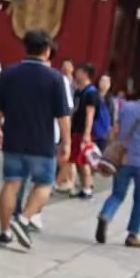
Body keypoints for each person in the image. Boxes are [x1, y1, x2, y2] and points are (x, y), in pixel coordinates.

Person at [0, 29, 72, 249]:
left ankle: (4, 231)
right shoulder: (56, 78)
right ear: (47, 50)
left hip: (13, 137)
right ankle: (24, 219)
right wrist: (66, 142)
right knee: (44, 184)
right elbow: (63, 115)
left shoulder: (10, 73)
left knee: (11, 183)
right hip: (41, 141)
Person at [96, 81, 140, 248]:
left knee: (117, 194)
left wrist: (114, 148)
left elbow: (114, 131)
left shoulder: (126, 107)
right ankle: (132, 235)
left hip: (123, 160)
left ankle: (106, 215)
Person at [70, 63, 100, 198]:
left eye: (79, 71)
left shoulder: (91, 93)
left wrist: (87, 134)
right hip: (75, 129)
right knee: (78, 160)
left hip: (83, 131)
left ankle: (87, 188)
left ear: (85, 74)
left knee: (83, 160)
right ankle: (84, 186)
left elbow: (90, 114)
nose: (76, 73)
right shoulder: (79, 91)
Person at [54, 58, 77, 194]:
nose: (66, 67)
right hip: (61, 119)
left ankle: (68, 181)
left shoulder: (73, 84)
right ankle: (67, 180)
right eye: (64, 65)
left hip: (67, 120)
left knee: (66, 153)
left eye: (69, 65)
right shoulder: (59, 79)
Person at [92, 73, 115, 152]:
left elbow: (112, 117)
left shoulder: (111, 100)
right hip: (93, 131)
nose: (105, 84)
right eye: (103, 81)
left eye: (107, 82)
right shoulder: (93, 96)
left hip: (105, 133)